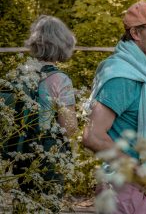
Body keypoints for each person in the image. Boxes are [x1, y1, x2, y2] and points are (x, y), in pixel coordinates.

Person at [82, 1, 146, 214]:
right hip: (124, 189)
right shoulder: (122, 76)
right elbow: (93, 136)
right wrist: (139, 170)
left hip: (142, 188)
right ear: (136, 33)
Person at [17, 15, 78, 211]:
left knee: (25, 204)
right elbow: (69, 128)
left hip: (20, 151)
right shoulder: (60, 79)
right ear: (63, 44)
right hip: (48, 155)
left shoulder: (21, 73)